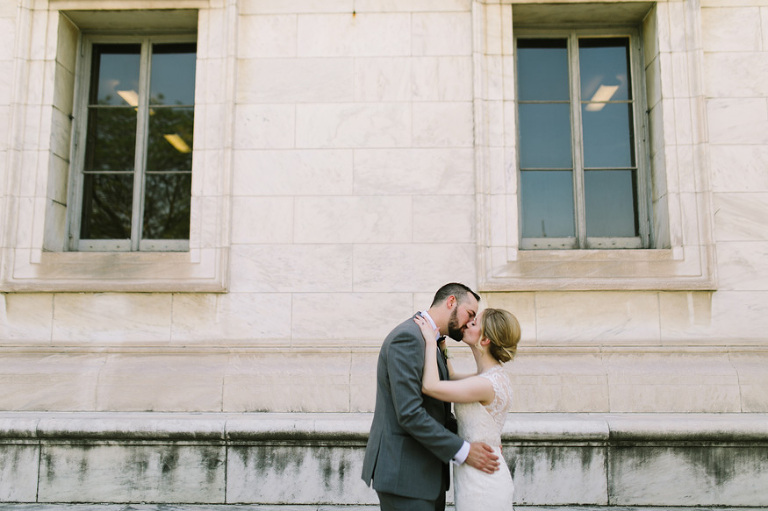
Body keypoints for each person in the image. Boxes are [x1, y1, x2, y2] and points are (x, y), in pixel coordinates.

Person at [361, 283, 501, 511]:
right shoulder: (408, 337)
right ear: (451, 302)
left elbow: (439, 410)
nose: (469, 322)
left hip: (426, 475)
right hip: (405, 476)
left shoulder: (430, 340)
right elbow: (409, 413)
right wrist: (464, 451)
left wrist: (478, 440)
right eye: (470, 314)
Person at [414, 307, 521, 511]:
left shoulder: (485, 385)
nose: (467, 323)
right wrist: (441, 344)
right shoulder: (489, 376)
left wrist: (428, 341)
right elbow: (452, 378)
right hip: (477, 471)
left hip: (483, 481)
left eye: (473, 323)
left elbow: (430, 386)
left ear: (485, 339)